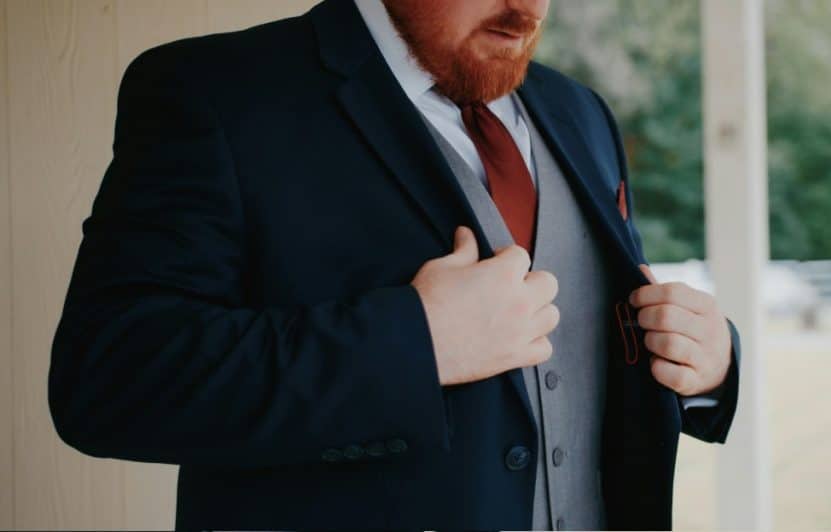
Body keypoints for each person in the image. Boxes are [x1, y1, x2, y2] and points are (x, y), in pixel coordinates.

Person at [47, 0, 742, 529]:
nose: (524, 5)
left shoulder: (579, 110)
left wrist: (708, 369)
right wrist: (417, 343)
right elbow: (111, 381)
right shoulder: (217, 92)